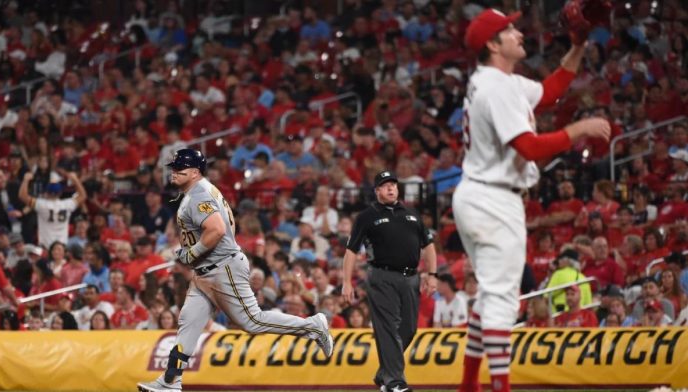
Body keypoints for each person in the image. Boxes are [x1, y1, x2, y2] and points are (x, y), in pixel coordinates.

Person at [452, 9, 610, 392]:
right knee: (503, 302)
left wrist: (578, 45)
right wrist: (580, 129)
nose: (518, 33)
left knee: (489, 296)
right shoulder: (496, 87)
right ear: (493, 44)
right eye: (509, 29)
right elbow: (528, 146)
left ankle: (469, 386)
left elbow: (551, 89)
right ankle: (499, 387)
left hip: (478, 194)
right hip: (493, 199)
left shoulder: (496, 81)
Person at [138, 149, 333, 392]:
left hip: (222, 267)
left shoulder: (199, 194)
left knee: (252, 321)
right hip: (207, 271)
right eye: (174, 167)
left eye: (180, 168)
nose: (174, 172)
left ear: (196, 172)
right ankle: (170, 380)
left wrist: (192, 253)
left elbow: (217, 229)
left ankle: (313, 325)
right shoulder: (200, 190)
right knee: (188, 320)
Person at [342, 170, 438, 392]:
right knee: (387, 328)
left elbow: (429, 246)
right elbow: (351, 251)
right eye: (385, 185)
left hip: (411, 277)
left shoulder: (412, 214)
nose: (391, 188)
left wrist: (432, 275)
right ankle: (395, 382)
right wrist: (347, 282)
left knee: (409, 329)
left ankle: (385, 373)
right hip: (381, 276)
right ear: (377, 191)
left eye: (393, 184)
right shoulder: (367, 216)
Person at [18, 171, 86, 248]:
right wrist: (75, 179)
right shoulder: (67, 204)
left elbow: (22, 196)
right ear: (60, 193)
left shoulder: (41, 204)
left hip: (45, 247)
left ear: (47, 192)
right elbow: (83, 195)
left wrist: (26, 180)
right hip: (62, 248)